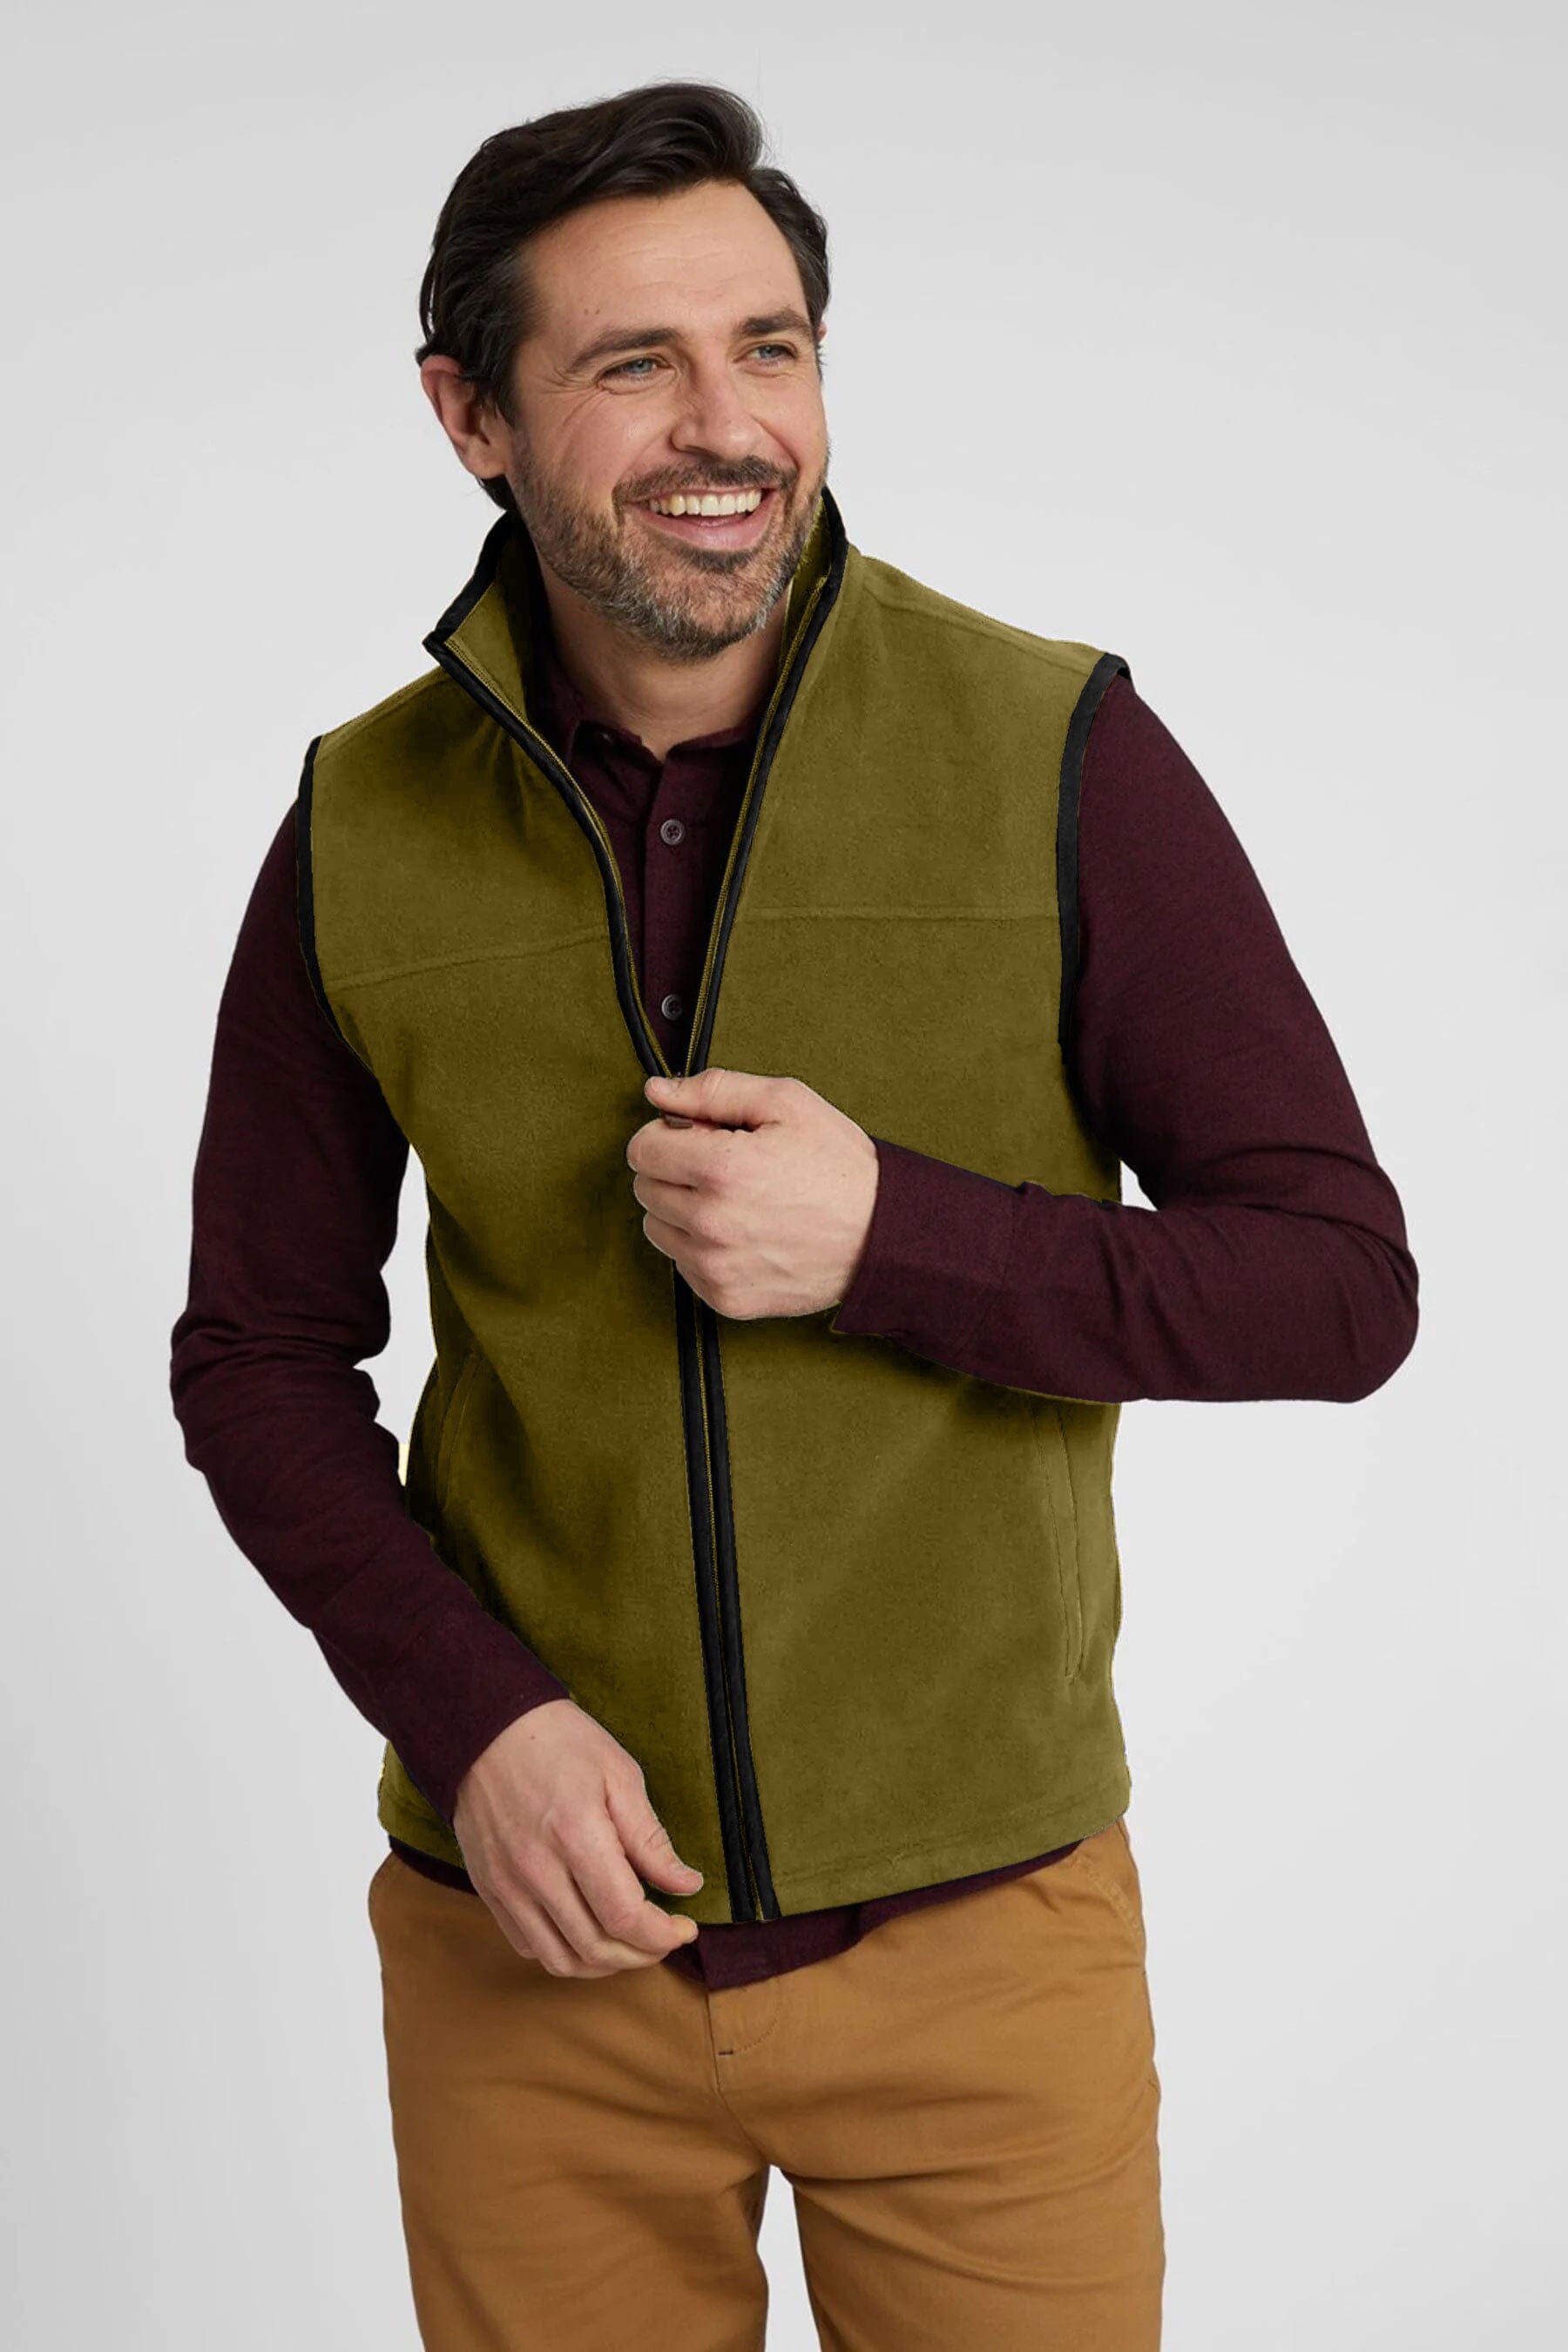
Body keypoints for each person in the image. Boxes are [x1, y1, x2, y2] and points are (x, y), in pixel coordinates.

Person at [169, 77, 1419, 2351]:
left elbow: (1336, 1286)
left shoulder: (1057, 749)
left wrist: (892, 1242)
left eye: (772, 347)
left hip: (985, 1948)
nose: (726, 425)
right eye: (633, 364)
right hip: (528, 1953)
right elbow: (256, 1355)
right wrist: (476, 1718)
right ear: (470, 415)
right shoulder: (360, 818)